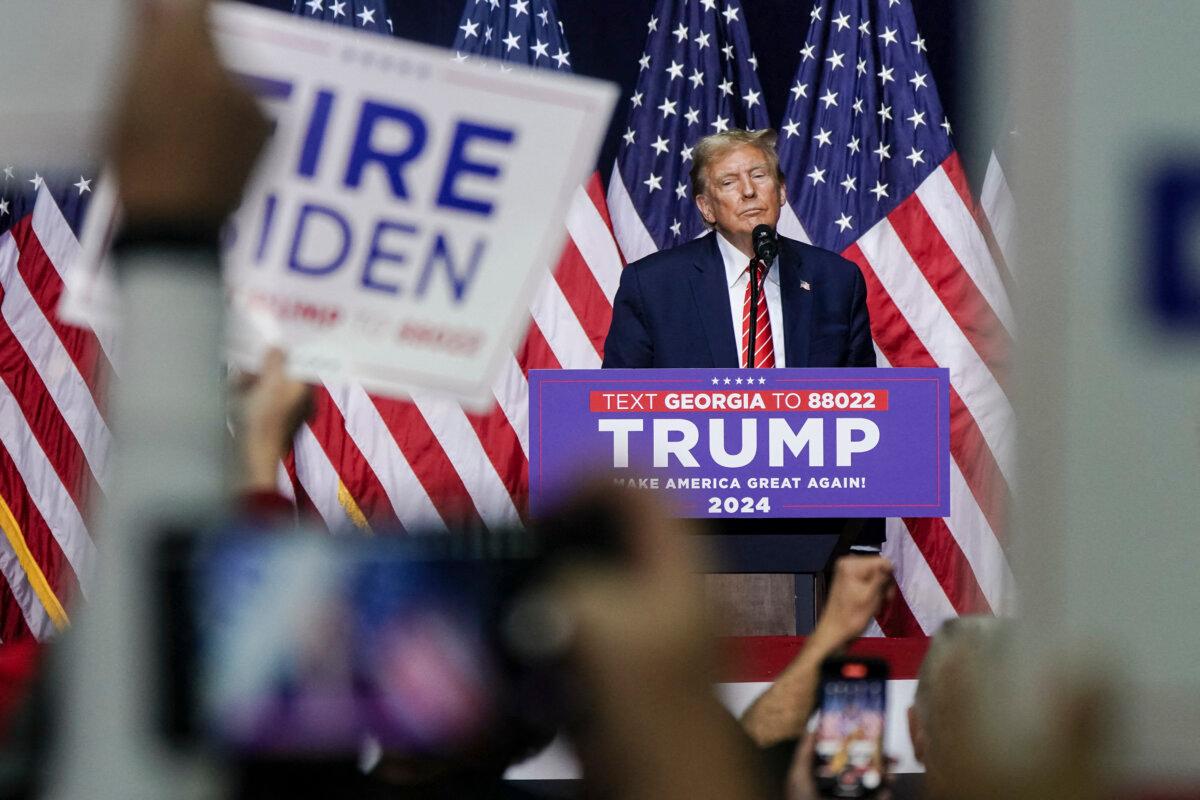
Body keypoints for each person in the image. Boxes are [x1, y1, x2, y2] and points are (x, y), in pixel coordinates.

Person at [602, 128, 874, 372]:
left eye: (759, 175)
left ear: (780, 191)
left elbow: (864, 397)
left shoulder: (836, 280)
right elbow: (618, 400)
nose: (748, 190)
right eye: (728, 182)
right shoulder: (652, 285)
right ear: (706, 207)